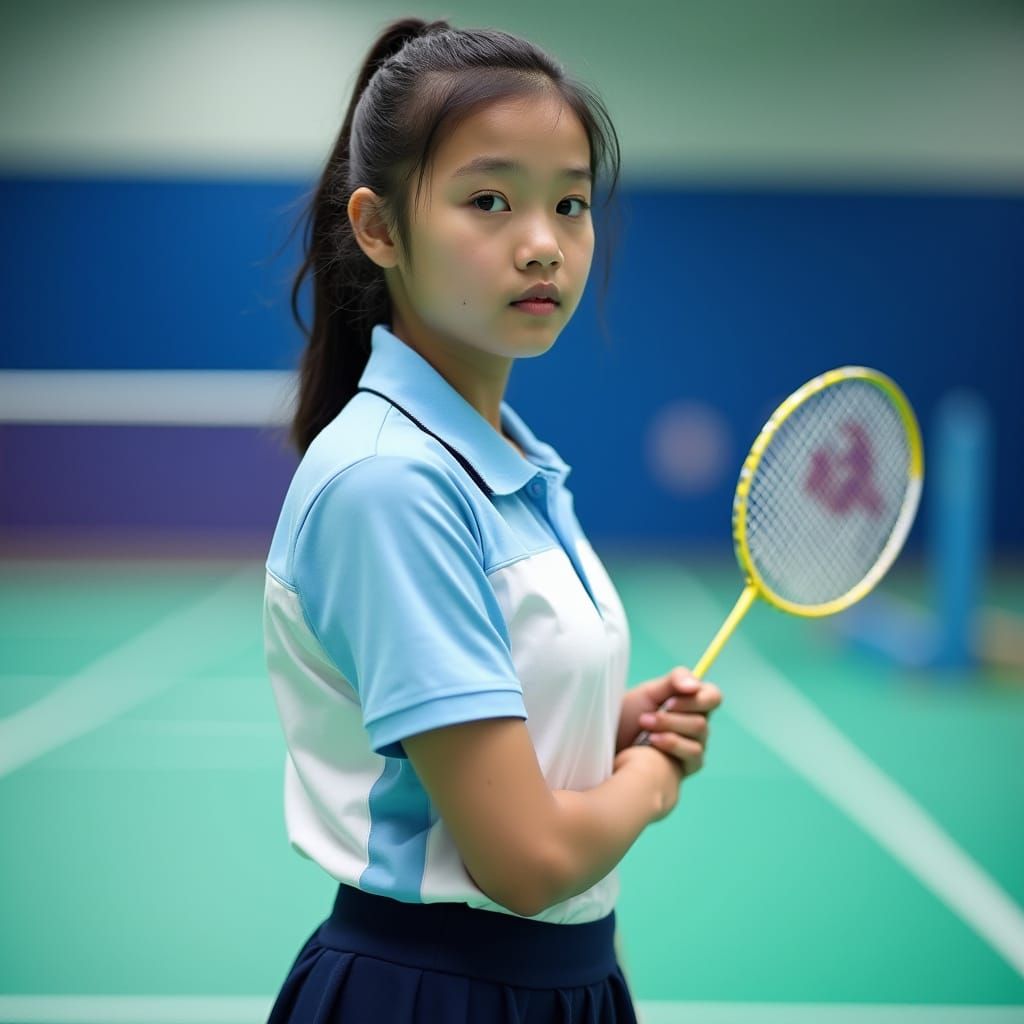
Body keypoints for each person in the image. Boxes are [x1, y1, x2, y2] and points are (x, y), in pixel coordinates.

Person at [262, 16, 723, 1024]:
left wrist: (608, 724)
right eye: (488, 200)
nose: (544, 243)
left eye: (570, 202)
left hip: (561, 983)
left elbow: (461, 754)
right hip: (432, 994)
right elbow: (523, 860)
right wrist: (650, 776)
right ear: (380, 228)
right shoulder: (393, 485)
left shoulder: (503, 459)